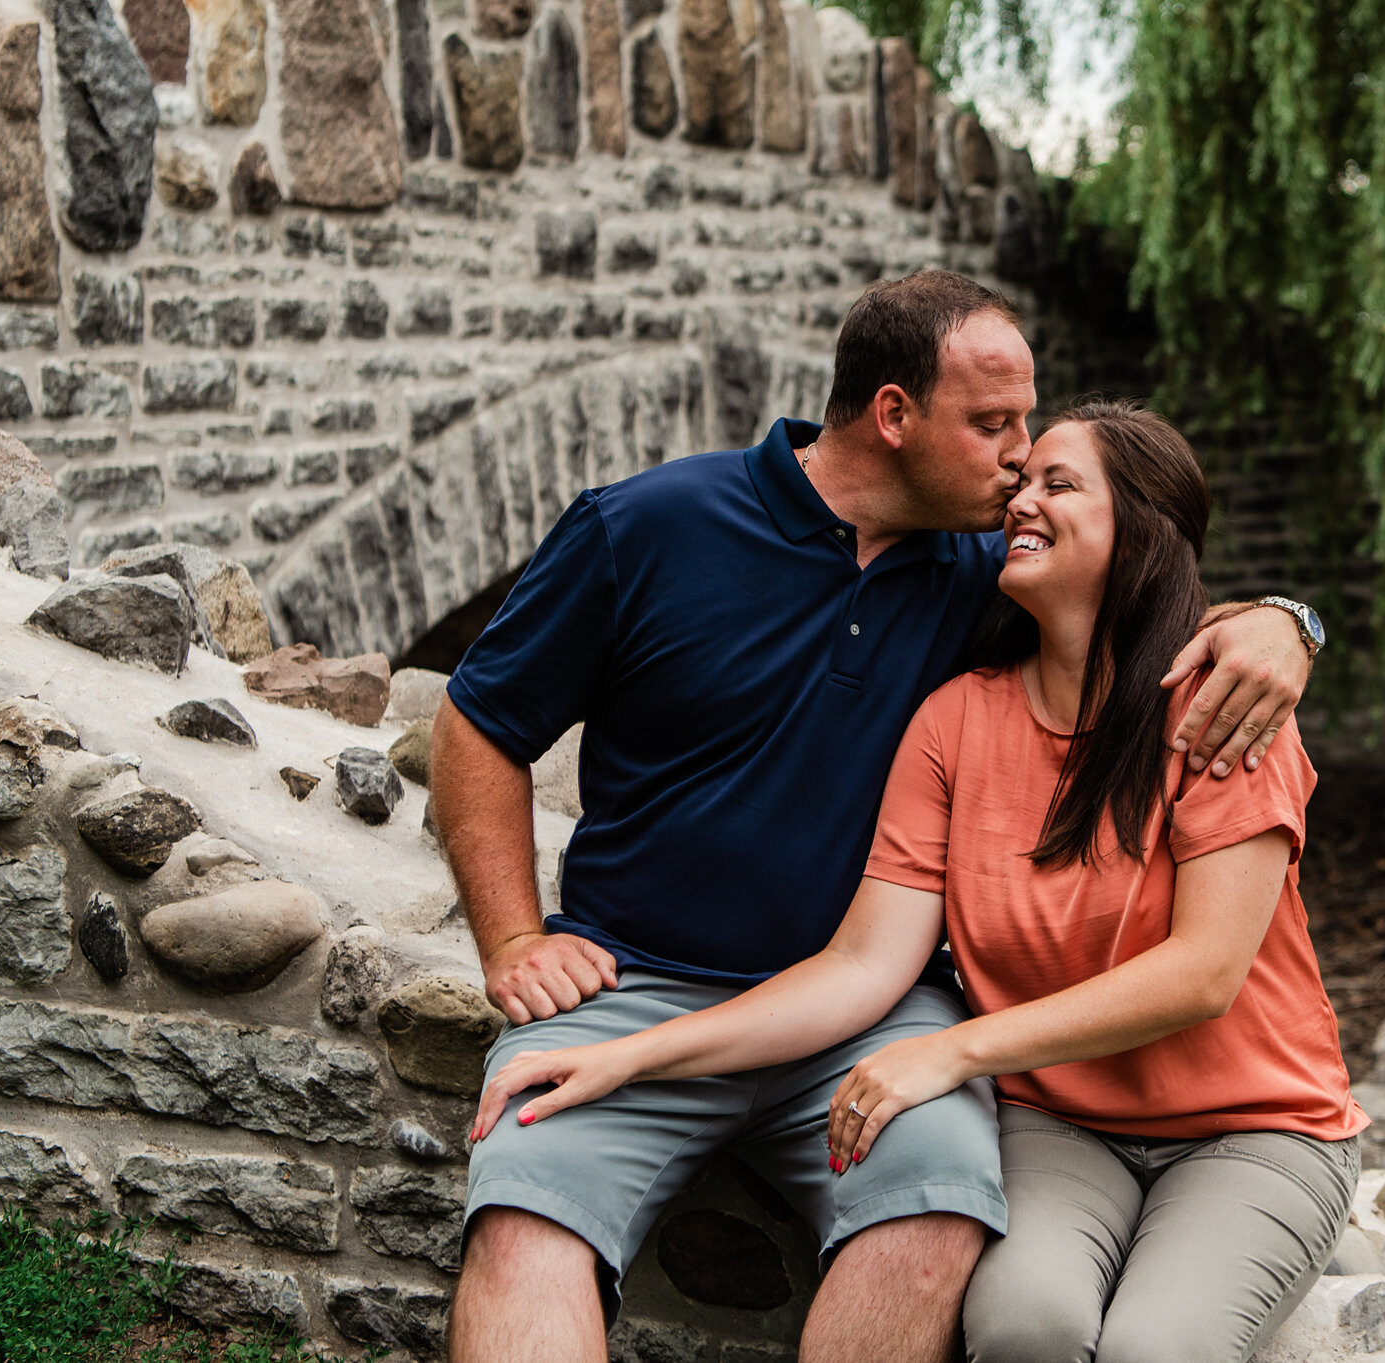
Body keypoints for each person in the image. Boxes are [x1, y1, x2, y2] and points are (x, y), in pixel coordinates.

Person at [433, 272, 1322, 1363]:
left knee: (934, 1216)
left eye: (1030, 431)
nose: (1016, 461)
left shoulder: (984, 569)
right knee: (524, 1227)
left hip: (875, 1003)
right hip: (630, 978)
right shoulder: (647, 527)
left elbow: (1144, 582)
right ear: (893, 415)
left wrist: (1285, 622)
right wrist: (516, 936)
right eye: (991, 425)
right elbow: (477, 723)